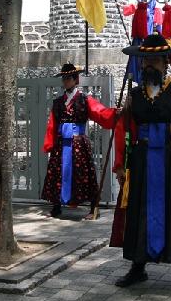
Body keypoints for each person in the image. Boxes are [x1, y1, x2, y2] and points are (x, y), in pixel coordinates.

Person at [111, 33, 171, 295]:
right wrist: (120, 163)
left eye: (154, 60)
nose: (149, 65)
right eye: (145, 60)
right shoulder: (134, 95)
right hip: (142, 163)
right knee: (139, 211)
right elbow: (124, 127)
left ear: (166, 63)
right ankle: (138, 266)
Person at [41, 63, 118, 220]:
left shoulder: (85, 100)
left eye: (69, 78)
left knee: (84, 174)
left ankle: (93, 208)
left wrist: (116, 114)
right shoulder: (58, 102)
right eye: (64, 78)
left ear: (76, 80)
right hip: (61, 144)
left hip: (78, 144)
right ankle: (56, 207)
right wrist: (50, 143)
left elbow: (100, 112)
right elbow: (52, 125)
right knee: (57, 173)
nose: (66, 81)